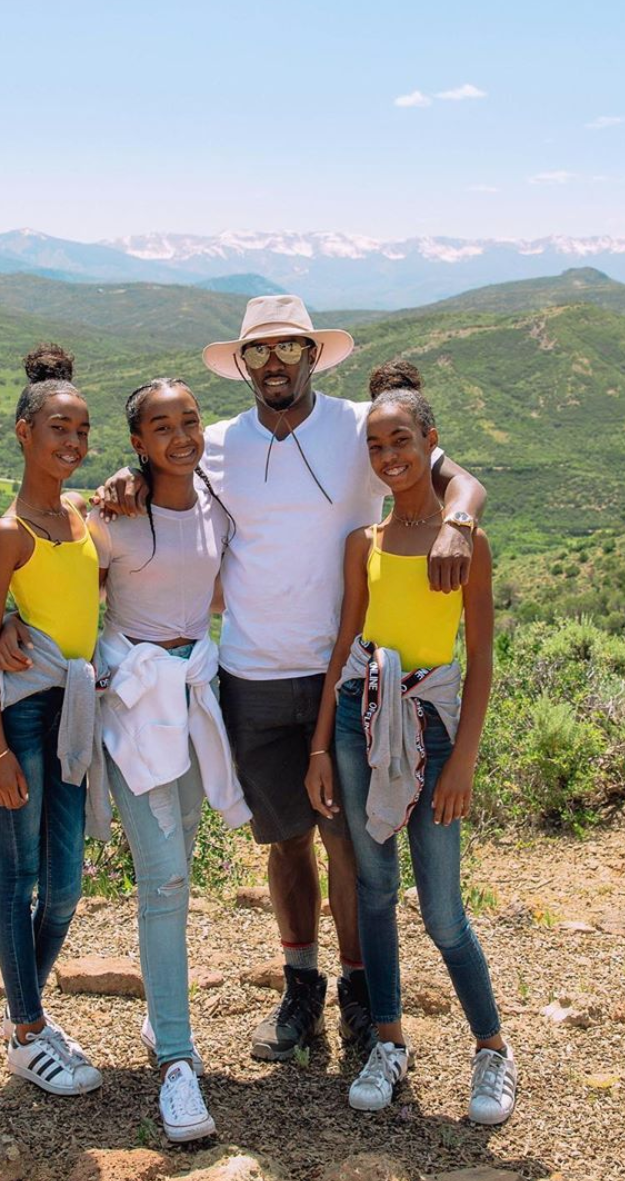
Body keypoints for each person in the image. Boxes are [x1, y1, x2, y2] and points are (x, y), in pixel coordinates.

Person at [88, 296, 488, 1063]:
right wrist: (123, 479)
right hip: (251, 674)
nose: (274, 364)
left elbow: (458, 478)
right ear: (243, 364)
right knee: (285, 841)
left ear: (314, 354)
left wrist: (459, 524)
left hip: (348, 677)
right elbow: (154, 473)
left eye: (289, 349)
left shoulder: (358, 426)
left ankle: (360, 991)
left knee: (349, 842)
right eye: (259, 352)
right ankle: (301, 985)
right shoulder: (215, 444)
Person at [304, 382, 516, 1124]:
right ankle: (388, 1041)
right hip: (360, 719)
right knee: (374, 888)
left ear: (431, 441)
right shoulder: (362, 544)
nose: (389, 456)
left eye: (402, 441)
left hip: (431, 725)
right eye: (377, 445)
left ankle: (492, 1048)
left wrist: (463, 762)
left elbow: (481, 662)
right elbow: (345, 646)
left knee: (444, 909)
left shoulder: (467, 544)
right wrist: (321, 745)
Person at [88, 377, 251, 1142]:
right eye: (162, 426)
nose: (182, 436)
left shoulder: (217, 501)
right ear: (137, 442)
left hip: (192, 696)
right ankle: (178, 1064)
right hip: (136, 701)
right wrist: (16, 626)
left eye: (190, 420)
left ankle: (161, 1017)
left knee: (178, 860)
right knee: (165, 878)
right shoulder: (114, 515)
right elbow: (68, 587)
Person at [0, 344, 108, 1097]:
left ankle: (27, 1012)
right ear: (24, 432)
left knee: (64, 885)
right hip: (23, 717)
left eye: (81, 431)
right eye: (59, 429)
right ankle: (26, 1030)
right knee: (18, 874)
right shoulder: (10, 532)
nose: (72, 443)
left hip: (73, 714)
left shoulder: (80, 515)